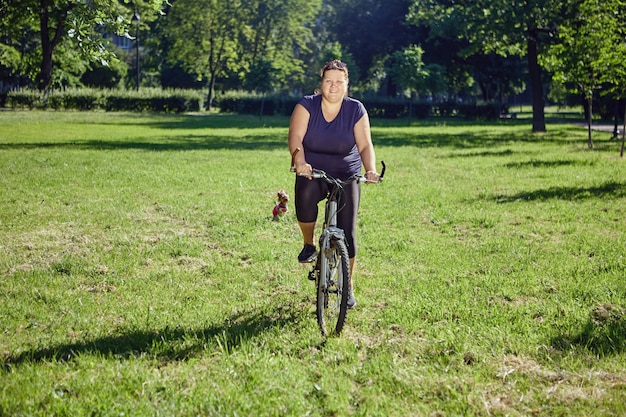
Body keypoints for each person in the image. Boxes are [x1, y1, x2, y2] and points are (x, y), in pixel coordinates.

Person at [288, 59, 381, 309]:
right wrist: (300, 161)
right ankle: (309, 244)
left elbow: (364, 144)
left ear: (346, 84)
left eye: (339, 81)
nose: (333, 86)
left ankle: (348, 286)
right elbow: (296, 137)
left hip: (346, 172)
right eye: (329, 80)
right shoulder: (307, 105)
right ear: (321, 82)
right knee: (305, 197)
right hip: (313, 169)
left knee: (348, 232)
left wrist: (370, 169)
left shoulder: (356, 109)